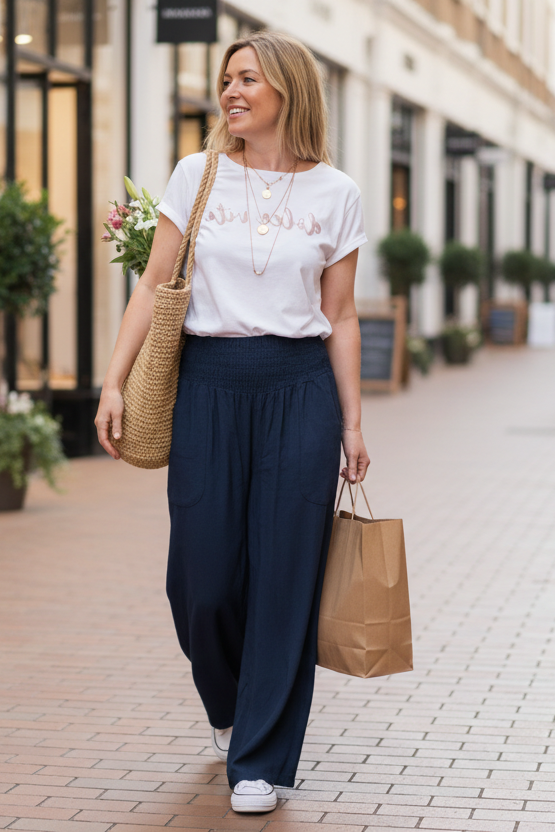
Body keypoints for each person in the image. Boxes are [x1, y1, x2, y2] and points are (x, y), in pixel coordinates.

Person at [95, 30, 370, 814]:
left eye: (248, 78)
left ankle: (259, 758)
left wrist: (350, 423)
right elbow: (152, 286)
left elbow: (341, 315)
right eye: (226, 80)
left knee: (285, 577)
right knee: (203, 581)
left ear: (288, 88)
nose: (231, 92)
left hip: (299, 390)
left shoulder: (337, 193)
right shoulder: (197, 174)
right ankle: (228, 705)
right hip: (210, 386)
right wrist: (113, 382)